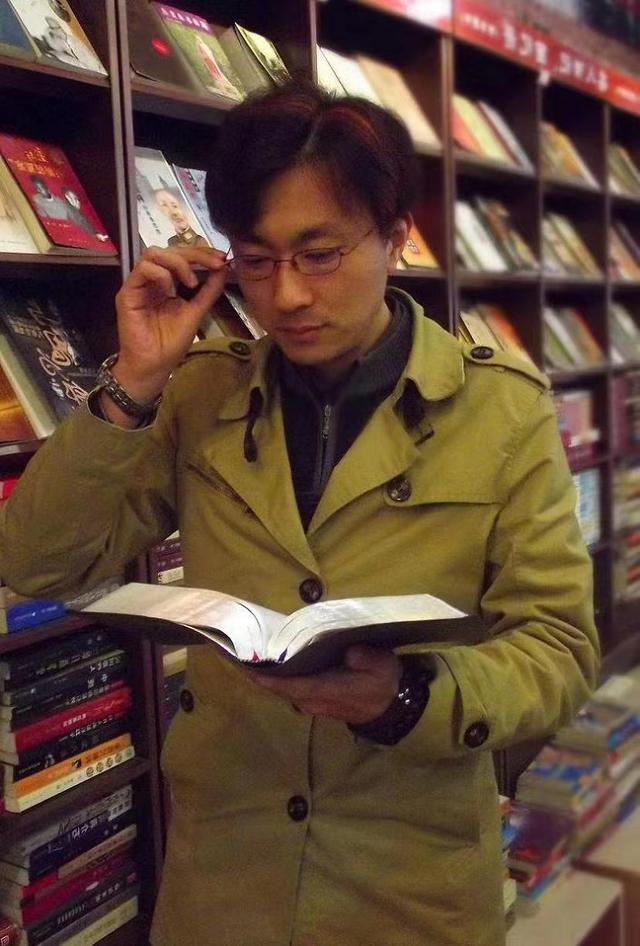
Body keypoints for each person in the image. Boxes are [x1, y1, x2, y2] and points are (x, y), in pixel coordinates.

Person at [0, 81, 599, 946]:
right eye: (256, 259)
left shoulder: (500, 410)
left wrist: (407, 697)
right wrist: (132, 381)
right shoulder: (198, 393)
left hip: (407, 889)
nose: (285, 297)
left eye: (319, 255)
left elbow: (559, 647)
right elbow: (37, 561)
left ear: (395, 236)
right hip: (224, 880)